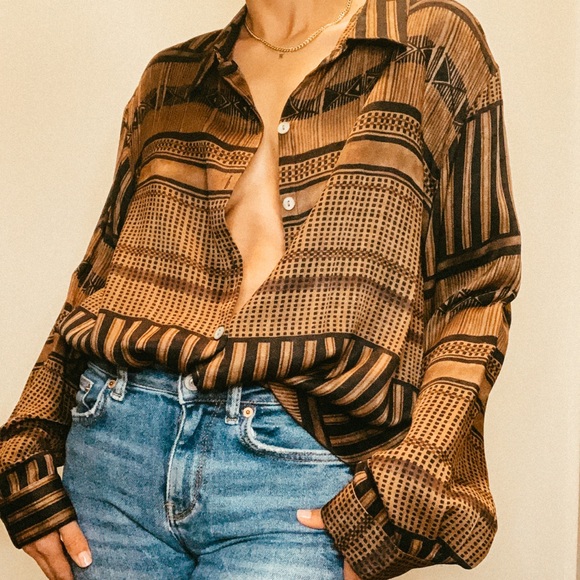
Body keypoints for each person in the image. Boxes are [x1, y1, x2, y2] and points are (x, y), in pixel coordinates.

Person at [0, 0, 521, 578]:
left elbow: (477, 290)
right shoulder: (171, 77)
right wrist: (24, 445)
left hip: (293, 466)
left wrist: (410, 479)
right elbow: (98, 277)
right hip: (117, 438)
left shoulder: (426, 44)